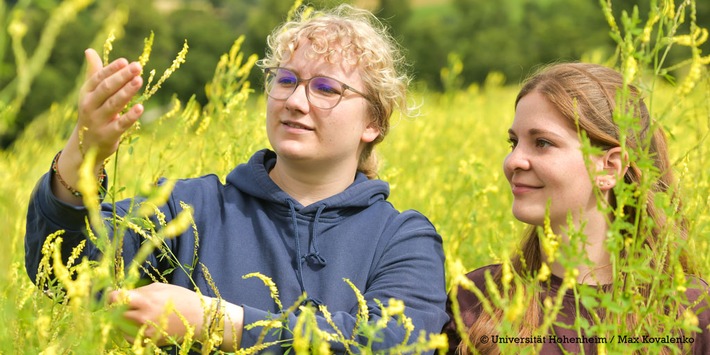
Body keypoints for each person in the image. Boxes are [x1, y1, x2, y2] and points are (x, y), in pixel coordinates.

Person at [24, 4, 448, 353]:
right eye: (285, 80)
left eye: (325, 88)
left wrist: (219, 323)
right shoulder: (189, 207)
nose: (296, 101)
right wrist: (83, 155)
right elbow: (64, 271)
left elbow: (398, 344)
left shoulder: (402, 237)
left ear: (373, 121)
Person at [443, 63, 710, 354]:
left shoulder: (688, 308)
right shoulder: (477, 300)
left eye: (542, 142)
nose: (513, 161)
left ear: (610, 167)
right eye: (514, 142)